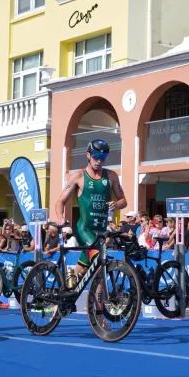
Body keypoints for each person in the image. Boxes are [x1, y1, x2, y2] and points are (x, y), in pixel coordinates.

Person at [54, 139, 127, 328]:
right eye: (96, 156)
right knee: (100, 266)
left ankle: (62, 301)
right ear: (88, 155)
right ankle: (99, 316)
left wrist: (116, 204)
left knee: (82, 271)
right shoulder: (78, 176)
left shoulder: (111, 176)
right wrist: (60, 218)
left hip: (102, 231)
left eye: (104, 157)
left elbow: (123, 200)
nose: (99, 160)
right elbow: (60, 201)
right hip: (84, 229)